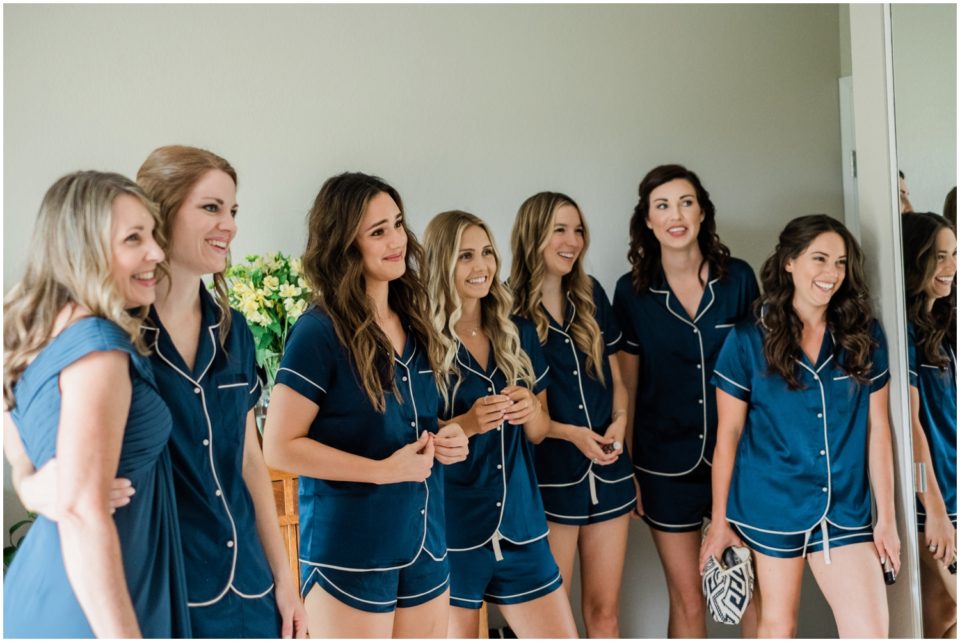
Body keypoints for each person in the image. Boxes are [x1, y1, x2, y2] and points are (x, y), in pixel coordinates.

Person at [262, 172, 468, 638]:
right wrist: (382, 470)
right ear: (343, 244)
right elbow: (278, 447)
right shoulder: (318, 332)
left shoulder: (414, 319)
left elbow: (414, 427)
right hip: (349, 556)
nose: (397, 240)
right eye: (378, 232)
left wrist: (449, 438)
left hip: (425, 547)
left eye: (397, 224)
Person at [3, 171, 189, 637]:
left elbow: (16, 435)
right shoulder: (99, 347)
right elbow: (86, 515)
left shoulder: (36, 330)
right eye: (134, 239)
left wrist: (28, 483)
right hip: (96, 600)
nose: (157, 253)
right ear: (83, 250)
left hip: (51, 580)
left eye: (153, 235)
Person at [701, 214, 900, 637]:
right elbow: (729, 436)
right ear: (789, 261)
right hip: (768, 505)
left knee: (871, 631)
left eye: (841, 263)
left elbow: (878, 430)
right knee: (777, 625)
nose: (832, 274)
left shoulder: (864, 336)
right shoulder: (747, 339)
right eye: (820, 259)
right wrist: (719, 523)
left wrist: (887, 520)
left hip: (845, 510)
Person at [135, 145, 305, 637]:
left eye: (232, 211)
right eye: (210, 208)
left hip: (250, 589)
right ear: (159, 213)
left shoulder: (235, 334)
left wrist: (285, 582)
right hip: (164, 590)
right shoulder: (118, 337)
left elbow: (250, 460)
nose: (228, 224)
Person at [611, 164, 758, 637]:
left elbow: (760, 371)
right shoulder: (631, 293)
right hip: (662, 468)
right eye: (662, 205)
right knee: (690, 600)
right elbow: (626, 388)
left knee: (750, 593)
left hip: (737, 461)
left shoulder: (737, 280)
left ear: (701, 212)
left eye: (686, 202)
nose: (675, 215)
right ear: (648, 221)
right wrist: (627, 466)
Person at [422, 210, 578, 638]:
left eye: (487, 253)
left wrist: (531, 409)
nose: (482, 267)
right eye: (466, 256)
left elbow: (540, 430)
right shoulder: (421, 341)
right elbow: (411, 436)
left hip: (521, 524)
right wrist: (468, 424)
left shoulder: (517, 330)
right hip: (454, 529)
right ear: (442, 264)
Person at [509, 192, 634, 637]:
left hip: (610, 471)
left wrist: (620, 422)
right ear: (533, 235)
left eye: (578, 230)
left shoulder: (592, 294)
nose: (573, 240)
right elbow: (528, 417)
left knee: (605, 613)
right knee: (552, 618)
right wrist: (575, 434)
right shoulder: (507, 310)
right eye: (559, 230)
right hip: (551, 478)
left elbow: (618, 379)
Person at [902, 212, 956, 638]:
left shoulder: (943, 324)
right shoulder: (905, 335)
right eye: (939, 257)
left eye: (954, 254)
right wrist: (934, 510)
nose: (951, 267)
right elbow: (912, 428)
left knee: (941, 616)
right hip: (940, 501)